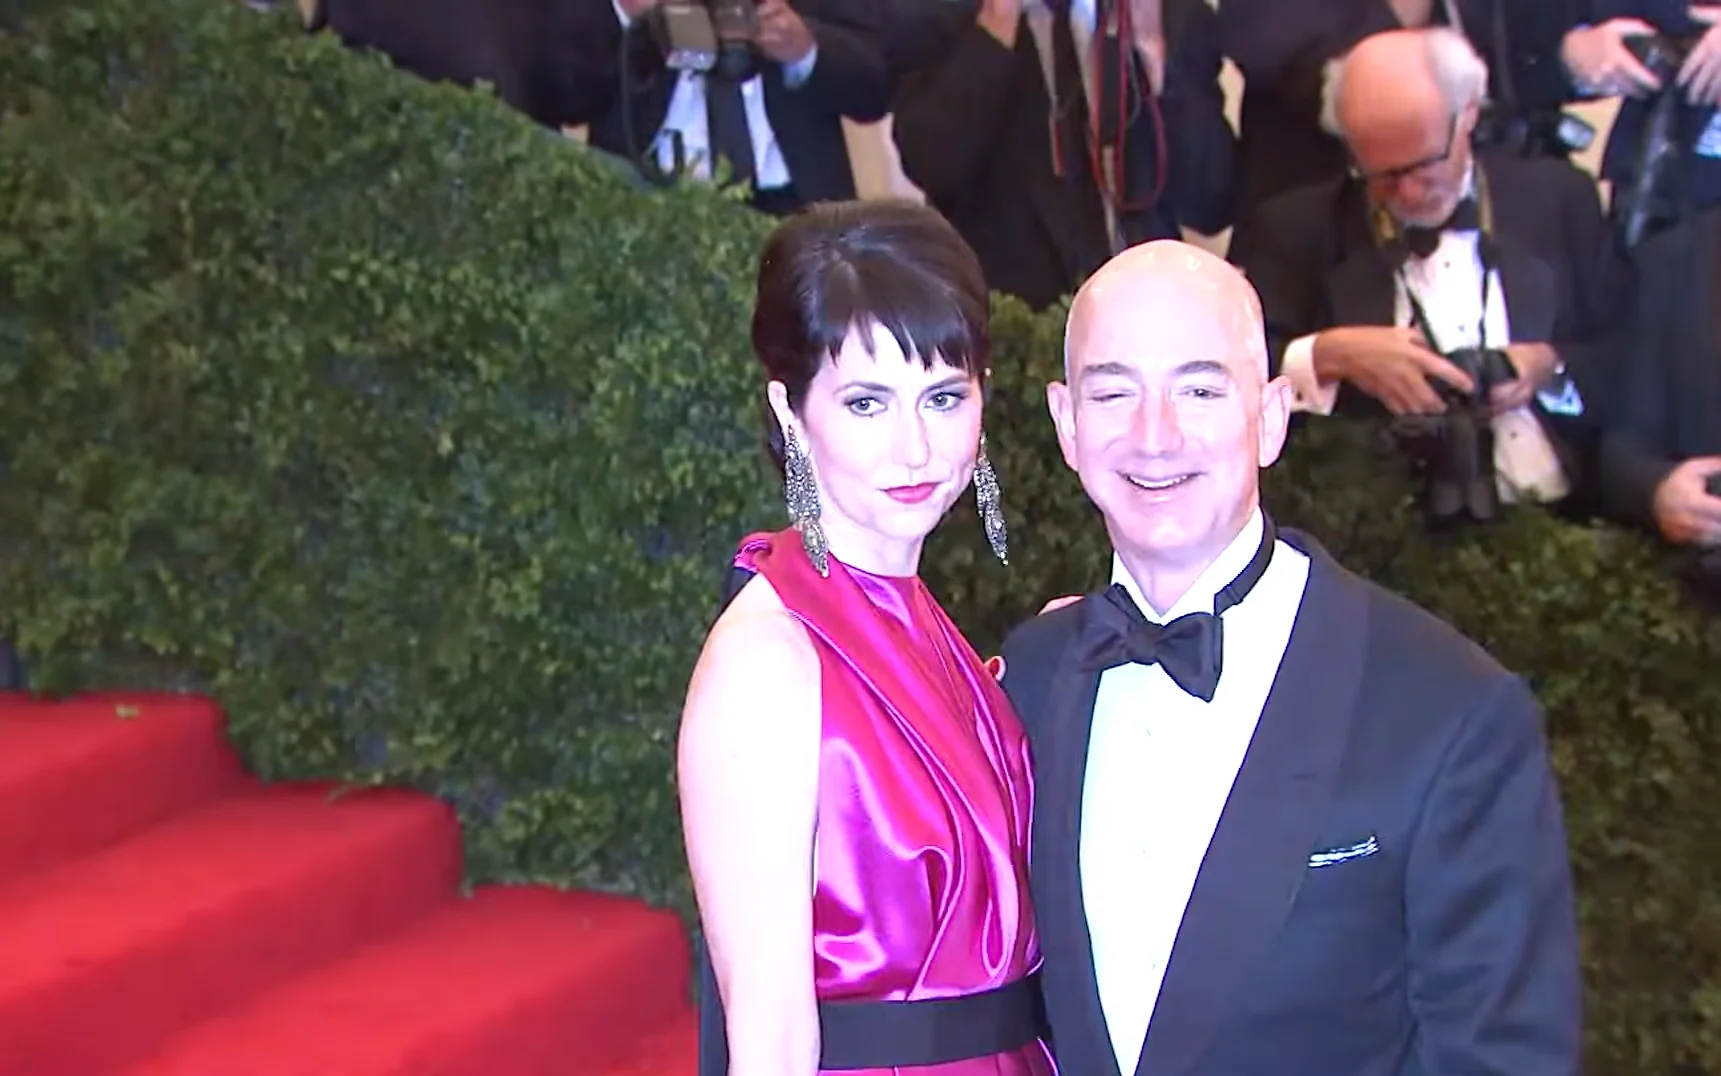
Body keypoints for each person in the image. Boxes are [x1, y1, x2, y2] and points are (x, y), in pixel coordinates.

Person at [998, 240, 1582, 1076]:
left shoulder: (1452, 711)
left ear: (1270, 418)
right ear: (1066, 424)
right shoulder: (1027, 679)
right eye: (1113, 391)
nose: (1154, 436)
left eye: (1199, 389)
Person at [677, 200, 1052, 1076]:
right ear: (790, 410)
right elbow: (769, 1038)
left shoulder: (919, 619)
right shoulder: (769, 659)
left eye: (943, 397)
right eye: (865, 403)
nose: (914, 448)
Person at [1233, 27, 1617, 516]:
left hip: (1565, 515)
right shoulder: (1295, 228)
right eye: (1383, 176)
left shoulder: (1560, 200)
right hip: (1382, 528)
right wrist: (1330, 355)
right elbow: (1232, 376)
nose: (1410, 194)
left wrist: (1549, 365)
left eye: (1424, 165)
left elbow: (1626, 353)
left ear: (1469, 114)